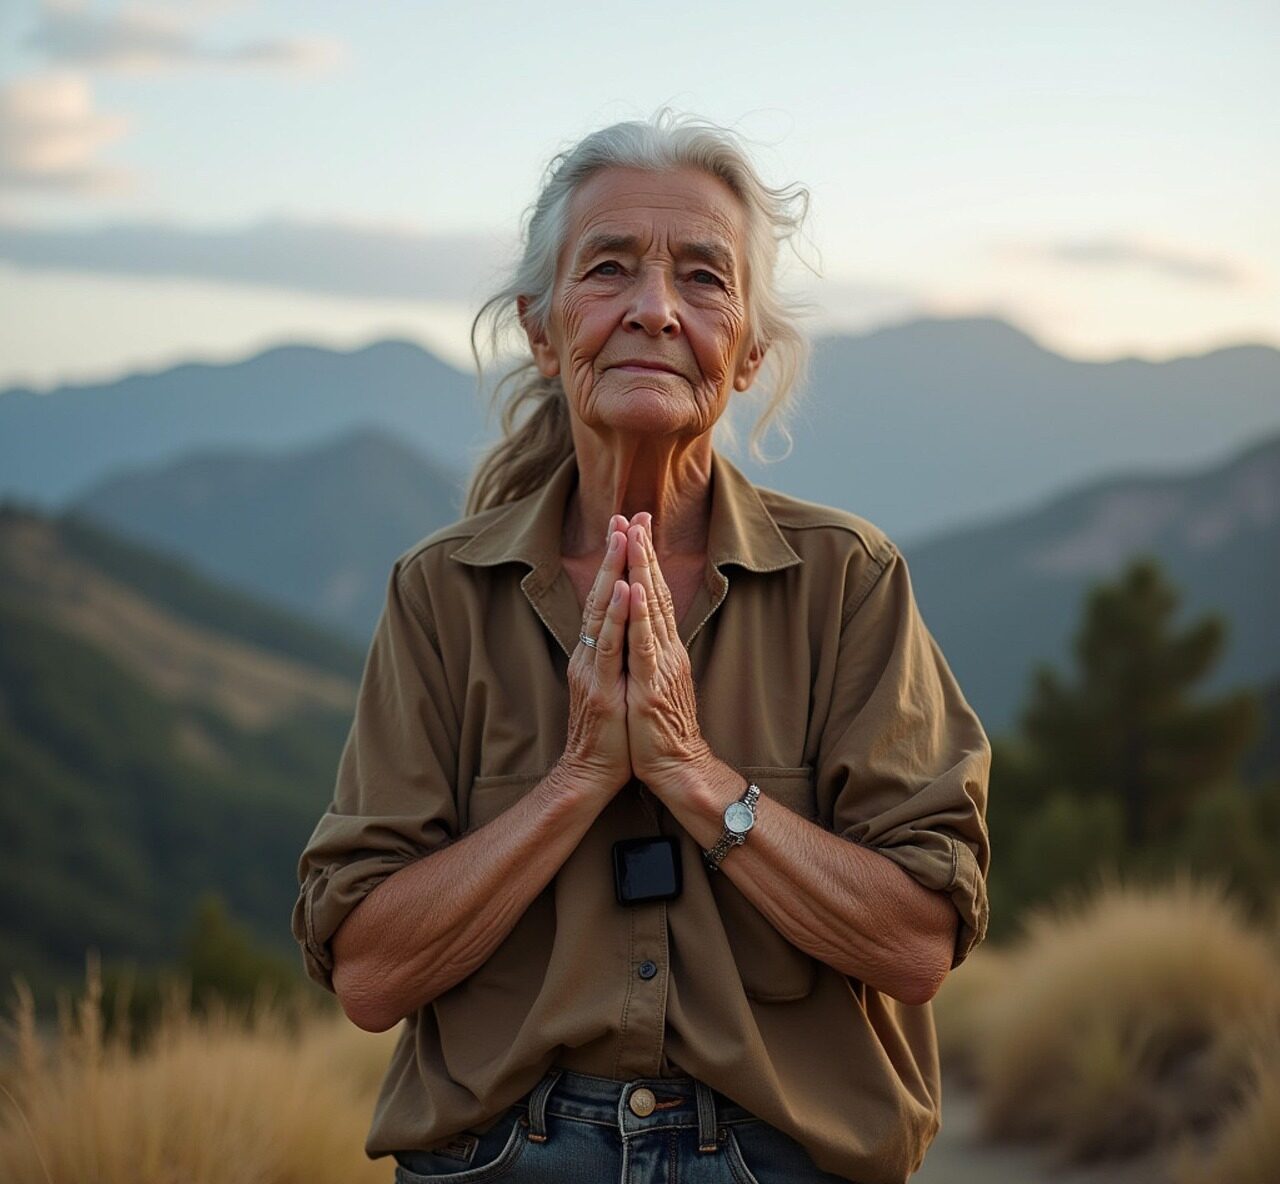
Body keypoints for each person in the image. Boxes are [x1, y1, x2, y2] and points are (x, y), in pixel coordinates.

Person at [291, 110, 991, 1184]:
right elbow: (370, 975)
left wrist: (691, 774)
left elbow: (912, 944)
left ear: (749, 349)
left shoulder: (847, 581)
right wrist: (575, 781)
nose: (654, 309)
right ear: (540, 325)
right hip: (500, 1152)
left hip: (780, 1152)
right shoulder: (441, 594)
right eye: (608, 268)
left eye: (703, 279)